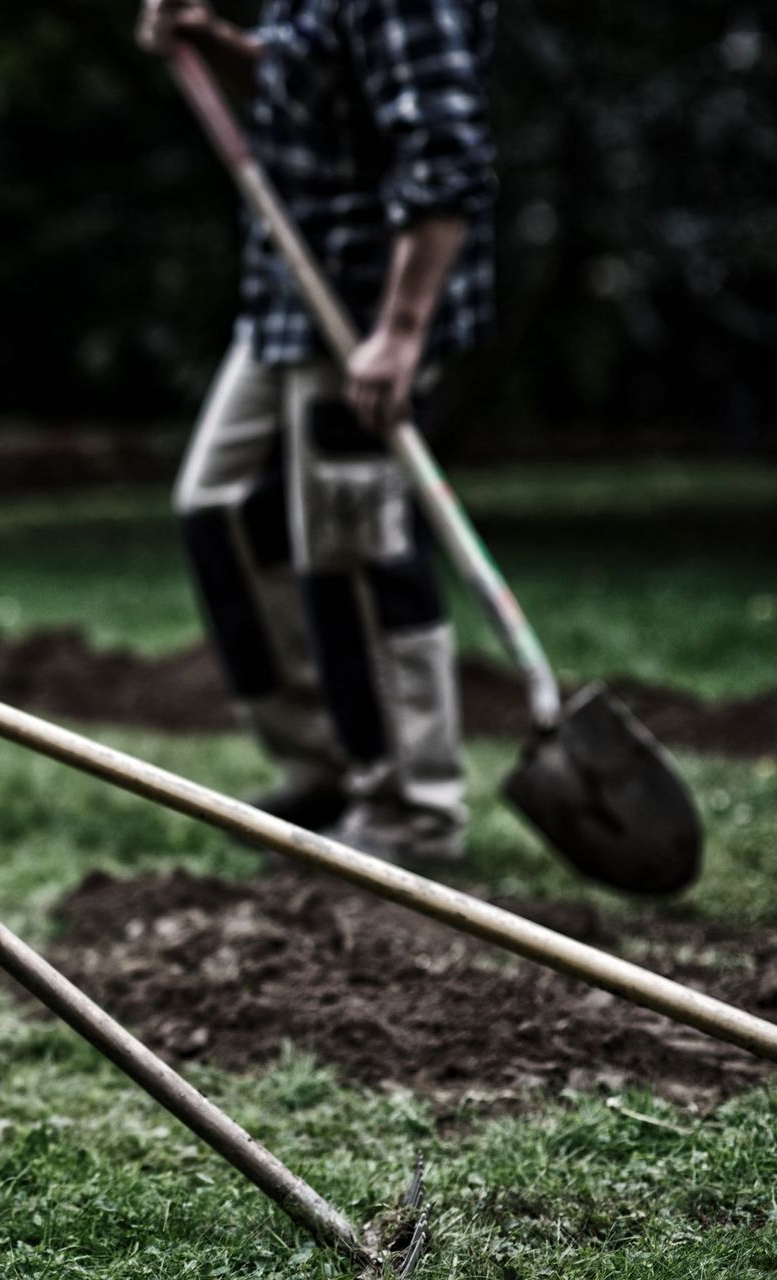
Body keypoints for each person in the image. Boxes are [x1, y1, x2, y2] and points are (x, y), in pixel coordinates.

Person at [138, 0, 497, 865]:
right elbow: (311, 83)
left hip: (365, 305)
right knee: (219, 507)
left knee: (353, 549)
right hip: (286, 298)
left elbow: (445, 151)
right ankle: (327, 762)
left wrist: (402, 328)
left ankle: (412, 804)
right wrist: (217, 45)